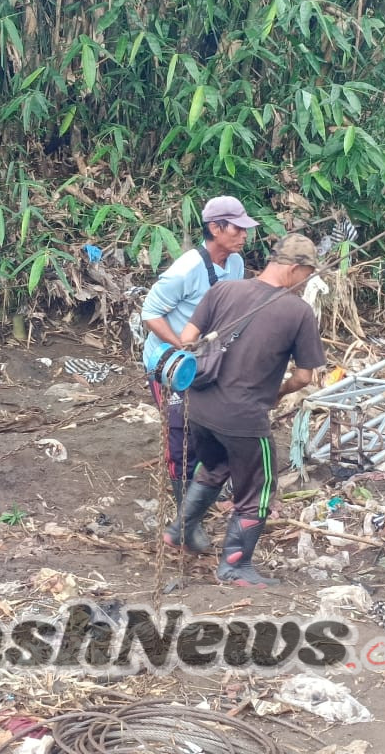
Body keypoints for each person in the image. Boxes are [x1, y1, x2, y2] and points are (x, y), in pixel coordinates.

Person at [167, 234, 326, 587]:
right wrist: (277, 392)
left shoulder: (224, 290)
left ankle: (180, 529)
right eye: (308, 275)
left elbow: (187, 338)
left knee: (215, 467)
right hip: (243, 417)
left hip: (201, 407)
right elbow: (303, 377)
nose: (306, 283)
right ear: (296, 269)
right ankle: (235, 566)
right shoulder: (298, 310)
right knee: (259, 487)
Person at [139, 195, 258, 552]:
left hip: (206, 361)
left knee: (211, 429)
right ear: (215, 228)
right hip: (170, 362)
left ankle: (195, 502)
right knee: (180, 436)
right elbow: (151, 311)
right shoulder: (186, 269)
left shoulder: (234, 263)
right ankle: (185, 520)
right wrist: (179, 346)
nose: (243, 235)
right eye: (237, 228)